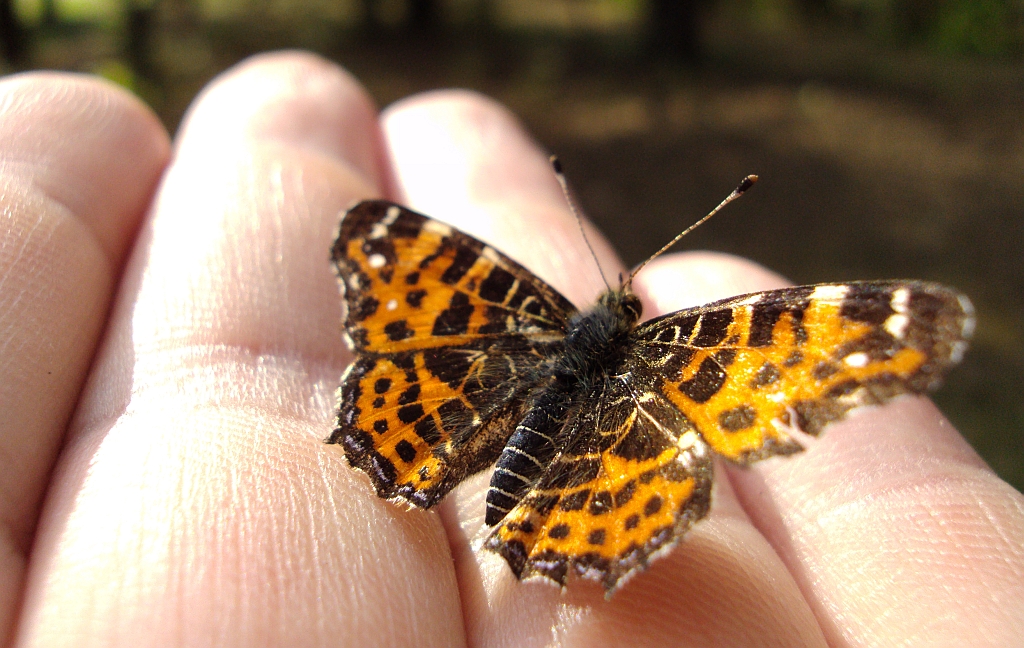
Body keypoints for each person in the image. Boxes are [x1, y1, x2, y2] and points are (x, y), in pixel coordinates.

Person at [2, 51, 1021, 647]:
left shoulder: (510, 301)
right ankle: (565, 519)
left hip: (464, 389)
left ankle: (498, 492)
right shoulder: (697, 347)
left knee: (456, 410)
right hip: (614, 442)